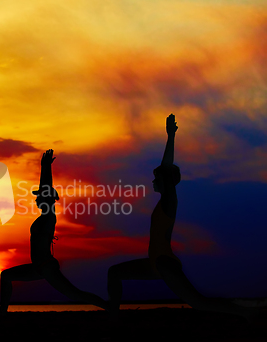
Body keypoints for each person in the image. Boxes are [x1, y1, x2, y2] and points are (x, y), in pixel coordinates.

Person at [107, 114, 253, 320]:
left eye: (156, 178)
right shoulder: (162, 203)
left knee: (198, 303)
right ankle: (113, 316)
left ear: (166, 182)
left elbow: (166, 167)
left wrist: (171, 136)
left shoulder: (169, 200)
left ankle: (246, 313)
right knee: (114, 272)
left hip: (165, 262)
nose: (152, 181)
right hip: (155, 262)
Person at [0, 149, 108, 313]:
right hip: (38, 267)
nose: (36, 200)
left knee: (75, 294)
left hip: (46, 266)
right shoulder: (43, 217)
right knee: (6, 275)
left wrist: (45, 166)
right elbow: (45, 190)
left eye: (39, 197)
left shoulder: (49, 215)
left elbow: (46, 186)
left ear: (47, 199)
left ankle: (110, 308)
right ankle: (2, 312)